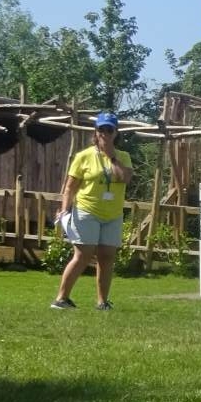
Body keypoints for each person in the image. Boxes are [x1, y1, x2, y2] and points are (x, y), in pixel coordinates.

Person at [50, 112, 133, 312]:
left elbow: (125, 178)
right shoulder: (84, 156)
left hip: (112, 214)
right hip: (87, 211)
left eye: (109, 130)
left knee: (107, 257)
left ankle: (102, 302)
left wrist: (112, 157)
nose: (105, 133)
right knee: (83, 255)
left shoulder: (123, 156)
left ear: (116, 133)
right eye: (101, 129)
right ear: (95, 132)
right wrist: (64, 209)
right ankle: (61, 299)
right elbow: (70, 187)